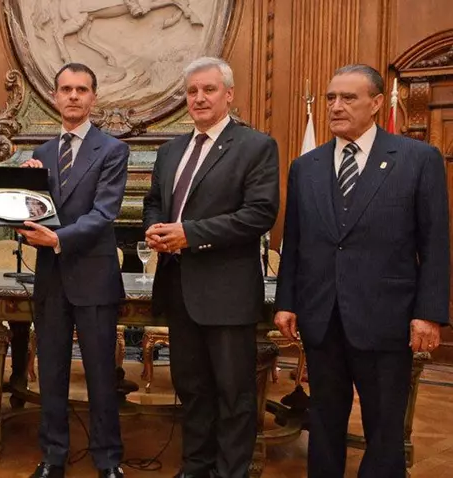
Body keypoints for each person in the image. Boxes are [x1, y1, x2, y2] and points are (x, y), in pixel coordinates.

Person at [274, 64, 449, 478]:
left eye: (348, 98)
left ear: (376, 103)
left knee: (384, 429)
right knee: (323, 422)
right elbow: (294, 242)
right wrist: (286, 303)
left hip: (386, 318)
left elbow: (435, 243)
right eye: (331, 97)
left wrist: (429, 313)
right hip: (322, 318)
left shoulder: (417, 159)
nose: (336, 106)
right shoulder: (306, 166)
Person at [143, 56, 280, 478]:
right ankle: (195, 467)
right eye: (192, 91)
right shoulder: (170, 151)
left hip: (227, 294)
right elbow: (154, 203)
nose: (199, 98)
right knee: (192, 389)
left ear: (229, 94)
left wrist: (190, 234)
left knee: (233, 394)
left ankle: (230, 472)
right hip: (179, 290)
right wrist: (154, 229)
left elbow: (259, 214)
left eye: (209, 89)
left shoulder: (255, 146)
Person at [20, 62, 128, 478]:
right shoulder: (41, 154)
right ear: (55, 96)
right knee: (51, 373)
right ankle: (53, 457)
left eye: (82, 89)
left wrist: (57, 238)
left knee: (101, 375)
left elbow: (104, 213)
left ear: (93, 98)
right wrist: (24, 188)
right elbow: (32, 214)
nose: (73, 96)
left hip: (94, 279)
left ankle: (108, 460)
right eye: (66, 89)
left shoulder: (112, 150)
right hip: (50, 279)